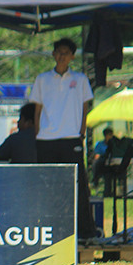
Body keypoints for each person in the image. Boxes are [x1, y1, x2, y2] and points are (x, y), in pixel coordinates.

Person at [29, 38, 96, 240]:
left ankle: (85, 232)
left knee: (78, 185)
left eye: (66, 52)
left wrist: (81, 135)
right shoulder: (42, 79)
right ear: (53, 54)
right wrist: (39, 134)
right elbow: (37, 109)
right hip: (46, 140)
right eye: (58, 52)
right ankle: (49, 230)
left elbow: (85, 110)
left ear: (72, 56)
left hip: (71, 139)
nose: (61, 56)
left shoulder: (81, 79)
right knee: (47, 185)